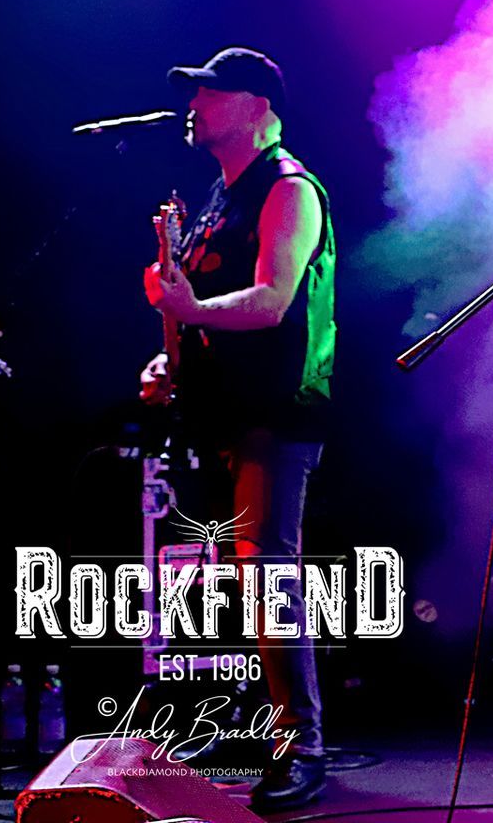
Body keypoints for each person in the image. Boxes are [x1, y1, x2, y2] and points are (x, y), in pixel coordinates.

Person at [140, 47, 335, 810]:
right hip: (220, 411)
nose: (193, 106)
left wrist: (189, 309)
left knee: (269, 574)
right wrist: (172, 360)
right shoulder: (219, 198)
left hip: (275, 411)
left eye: (210, 94)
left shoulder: (288, 189)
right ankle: (258, 723)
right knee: (235, 572)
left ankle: (302, 746)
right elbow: (197, 309)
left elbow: (273, 299)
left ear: (256, 107)